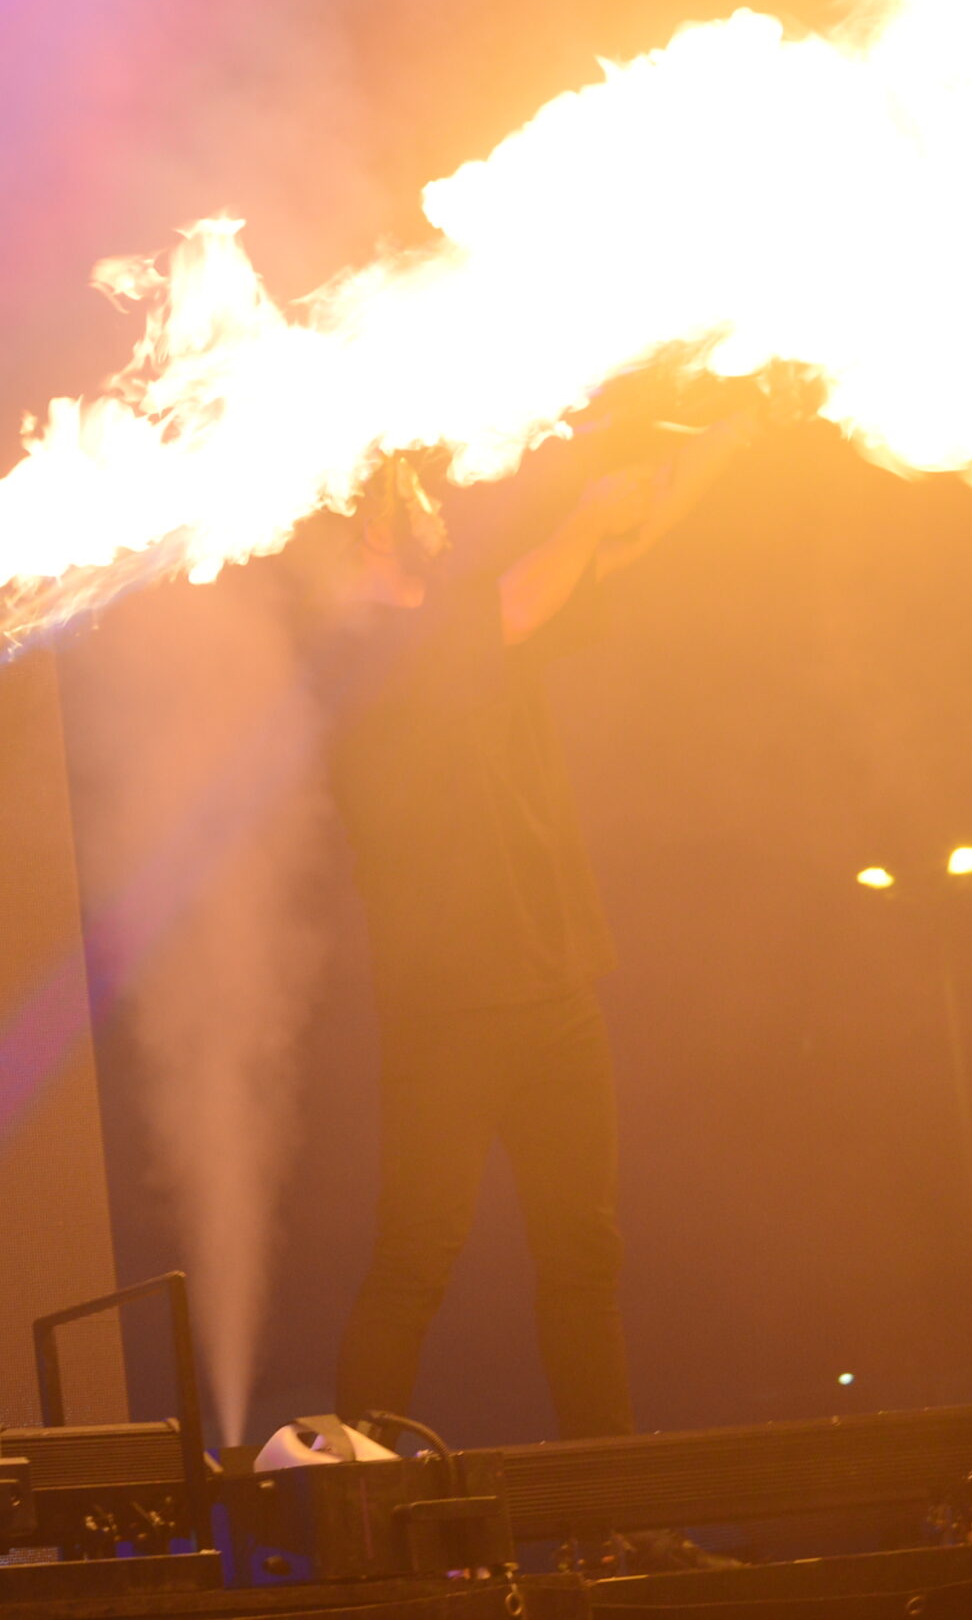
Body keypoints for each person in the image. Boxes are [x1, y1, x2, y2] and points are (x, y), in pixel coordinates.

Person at [309, 405, 754, 1442]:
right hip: (450, 1007)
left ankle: (613, 1503)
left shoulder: (467, 618)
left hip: (556, 986)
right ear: (366, 526)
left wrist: (727, 438)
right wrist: (589, 510)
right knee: (417, 1255)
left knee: (584, 1253)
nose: (430, 500)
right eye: (404, 492)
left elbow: (615, 546)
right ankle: (346, 1508)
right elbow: (524, 595)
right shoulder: (358, 653)